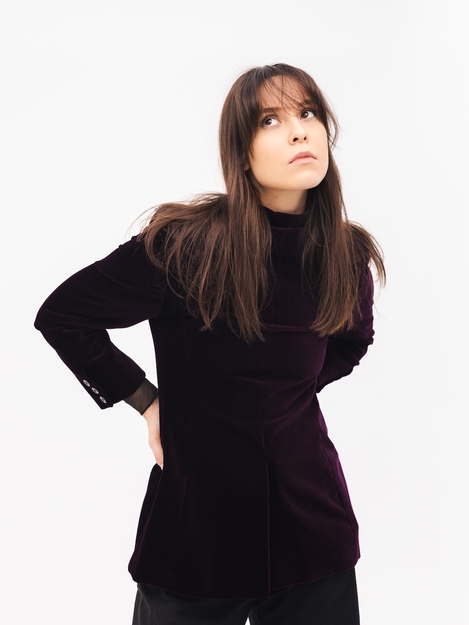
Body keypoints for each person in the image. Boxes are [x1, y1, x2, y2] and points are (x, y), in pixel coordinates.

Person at [35, 63, 385, 625]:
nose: (299, 131)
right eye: (270, 120)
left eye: (308, 113)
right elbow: (64, 315)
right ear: (241, 152)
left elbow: (351, 343)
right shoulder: (184, 245)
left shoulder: (346, 255)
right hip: (195, 535)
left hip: (312, 531)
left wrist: (280, 399)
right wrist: (148, 401)